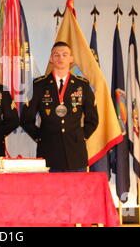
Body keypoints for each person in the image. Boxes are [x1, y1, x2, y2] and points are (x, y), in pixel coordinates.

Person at [20, 41, 98, 172]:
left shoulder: (82, 85)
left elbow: (93, 118)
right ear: (51, 59)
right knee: (49, 192)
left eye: (64, 54)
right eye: (56, 55)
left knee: (77, 192)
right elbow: (26, 119)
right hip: (48, 152)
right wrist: (41, 137)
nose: (60, 58)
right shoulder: (39, 85)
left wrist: (81, 136)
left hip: (76, 152)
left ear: (71, 59)